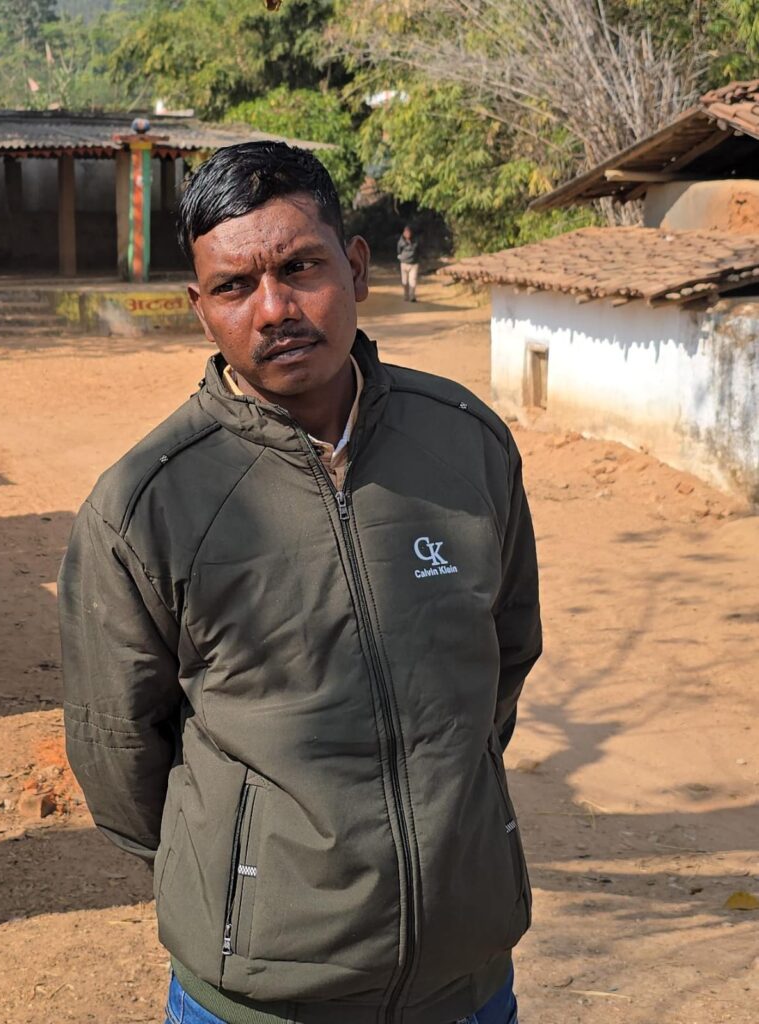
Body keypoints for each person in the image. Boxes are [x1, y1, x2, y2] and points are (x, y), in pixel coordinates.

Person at [59, 142, 542, 1024]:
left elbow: (502, 658)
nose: (274, 309)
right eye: (235, 286)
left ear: (355, 268)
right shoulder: (145, 503)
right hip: (257, 998)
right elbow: (120, 750)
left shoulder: (465, 442)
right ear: (200, 310)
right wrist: (246, 879)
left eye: (299, 268)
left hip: (466, 980)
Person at [397, 224, 420, 302]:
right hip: (404, 263)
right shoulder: (401, 242)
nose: (407, 234)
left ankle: (412, 296)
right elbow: (399, 251)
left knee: (413, 280)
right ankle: (406, 295)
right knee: (405, 281)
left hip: (414, 263)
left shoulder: (416, 241)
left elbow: (419, 250)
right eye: (406, 232)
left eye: (409, 232)